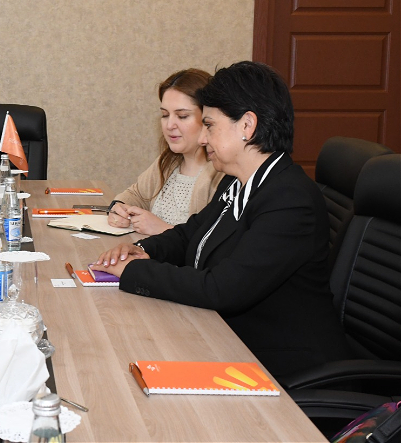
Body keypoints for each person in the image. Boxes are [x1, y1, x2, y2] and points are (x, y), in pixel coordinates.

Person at [93, 61, 349, 378]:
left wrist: (134, 271)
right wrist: (143, 250)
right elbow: (191, 233)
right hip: (226, 339)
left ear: (247, 126)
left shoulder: (290, 201)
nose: (203, 139)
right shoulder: (237, 181)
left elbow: (222, 289)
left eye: (210, 125)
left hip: (282, 367)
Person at [108, 68, 223, 235]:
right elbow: (136, 194)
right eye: (165, 115)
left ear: (208, 118)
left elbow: (213, 240)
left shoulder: (222, 173)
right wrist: (119, 208)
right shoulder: (169, 161)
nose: (169, 125)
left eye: (182, 116)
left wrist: (163, 229)